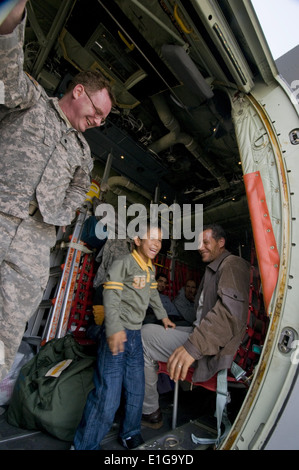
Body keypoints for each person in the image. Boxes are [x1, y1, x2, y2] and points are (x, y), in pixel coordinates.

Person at [0, 1, 115, 382]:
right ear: (79, 91)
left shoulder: (83, 153)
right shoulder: (32, 101)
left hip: (34, 244)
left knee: (7, 330)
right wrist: (11, 22)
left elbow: (81, 188)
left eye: (103, 119)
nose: (98, 122)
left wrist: (61, 215)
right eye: (97, 112)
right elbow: (9, 72)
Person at [73, 224, 175, 450]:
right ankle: (84, 445)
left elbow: (153, 294)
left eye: (160, 240)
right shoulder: (123, 263)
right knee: (107, 395)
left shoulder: (149, 269)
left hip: (136, 336)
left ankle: (130, 433)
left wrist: (163, 317)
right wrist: (114, 328)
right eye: (152, 238)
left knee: (136, 389)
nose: (157, 244)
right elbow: (111, 295)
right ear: (137, 240)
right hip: (116, 333)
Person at [141, 224, 250, 429]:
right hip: (200, 332)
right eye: (199, 243)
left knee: (143, 338)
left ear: (221, 243)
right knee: (151, 328)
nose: (200, 247)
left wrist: (193, 347)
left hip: (214, 346)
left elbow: (229, 314)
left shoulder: (232, 264)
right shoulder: (213, 269)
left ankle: (150, 411)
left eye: (205, 242)